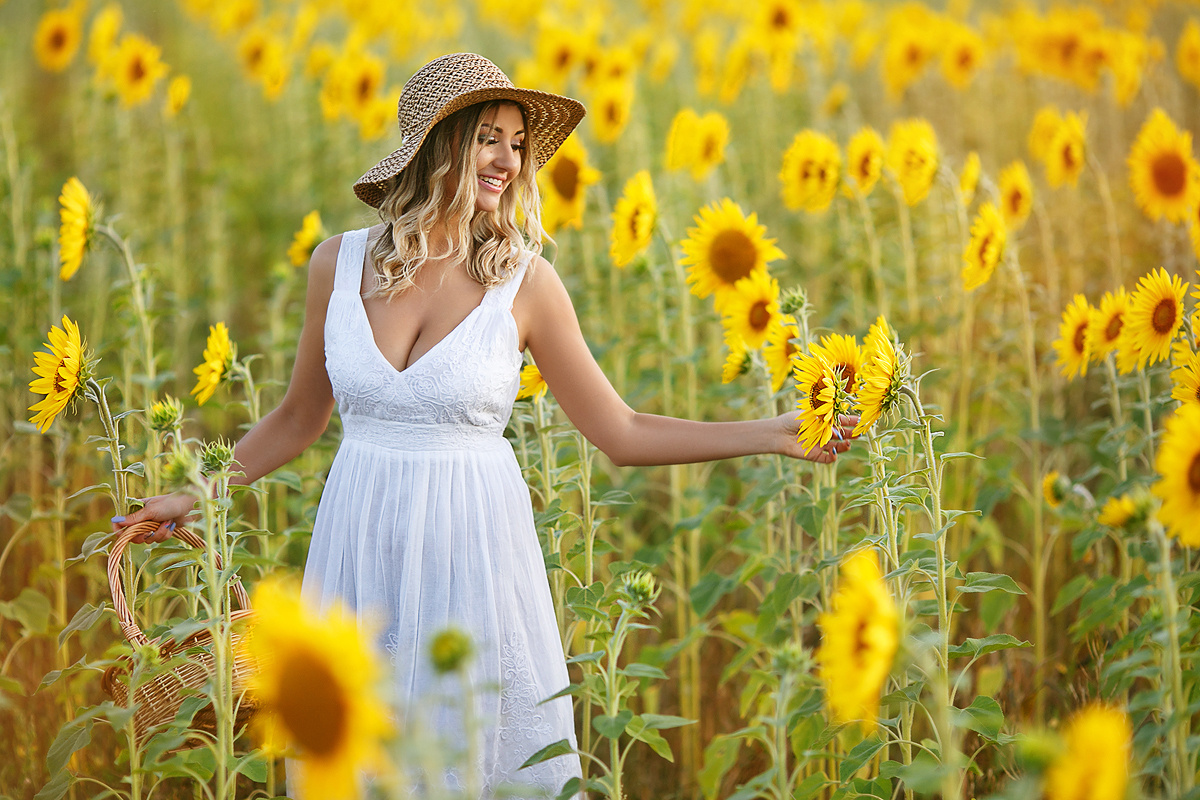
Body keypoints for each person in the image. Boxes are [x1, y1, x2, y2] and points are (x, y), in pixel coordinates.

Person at [113, 53, 854, 797]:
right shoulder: (336, 265)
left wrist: (772, 432)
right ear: (439, 145)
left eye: (518, 143)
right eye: (488, 138)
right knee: (360, 759)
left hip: (471, 552)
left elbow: (621, 431)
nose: (509, 160)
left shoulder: (525, 281)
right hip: (358, 543)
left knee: (467, 751)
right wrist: (194, 493)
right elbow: (299, 417)